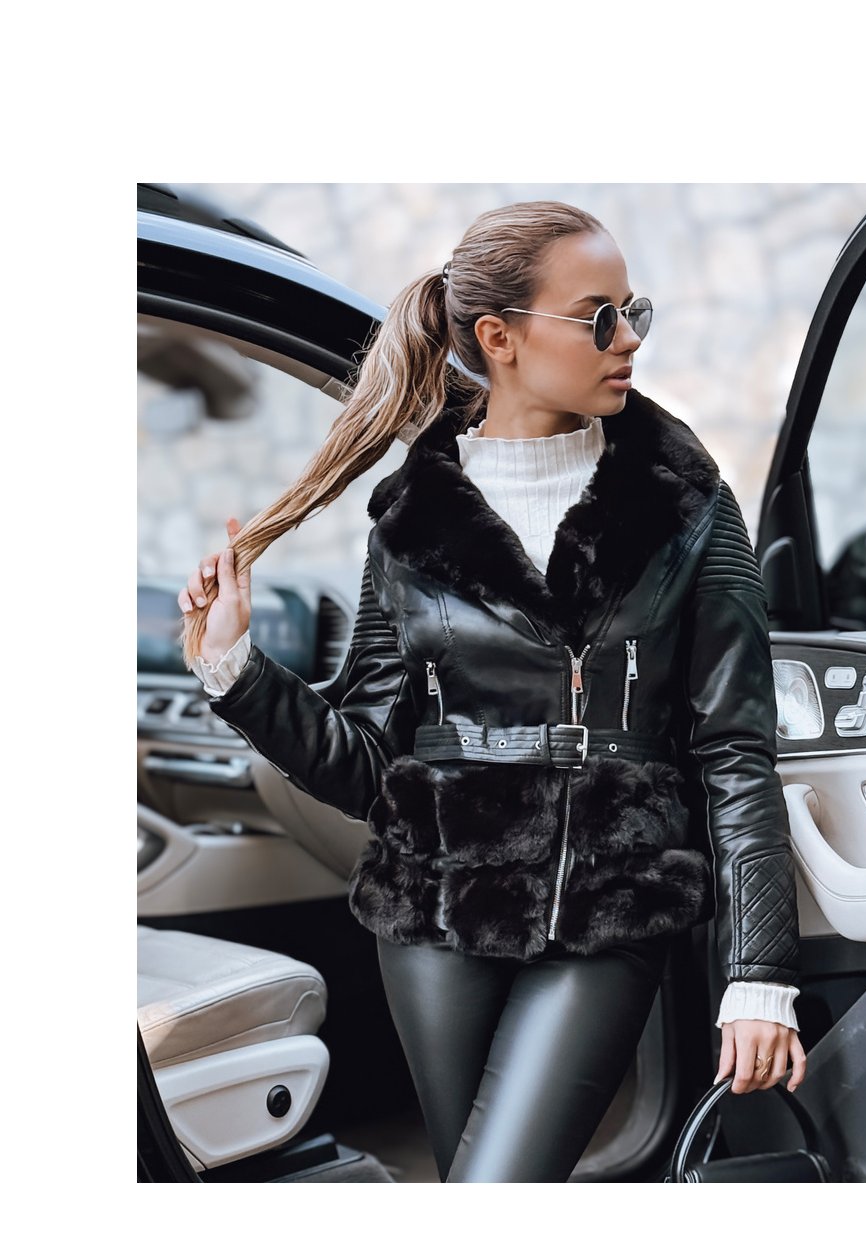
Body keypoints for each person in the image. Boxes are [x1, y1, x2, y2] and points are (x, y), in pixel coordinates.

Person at [177, 200, 807, 1183]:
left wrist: (759, 973)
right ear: (499, 337)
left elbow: (734, 749)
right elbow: (370, 766)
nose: (629, 339)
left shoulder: (688, 505)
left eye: (632, 310)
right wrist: (236, 670)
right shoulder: (409, 521)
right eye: (598, 316)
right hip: (431, 911)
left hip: (610, 906)